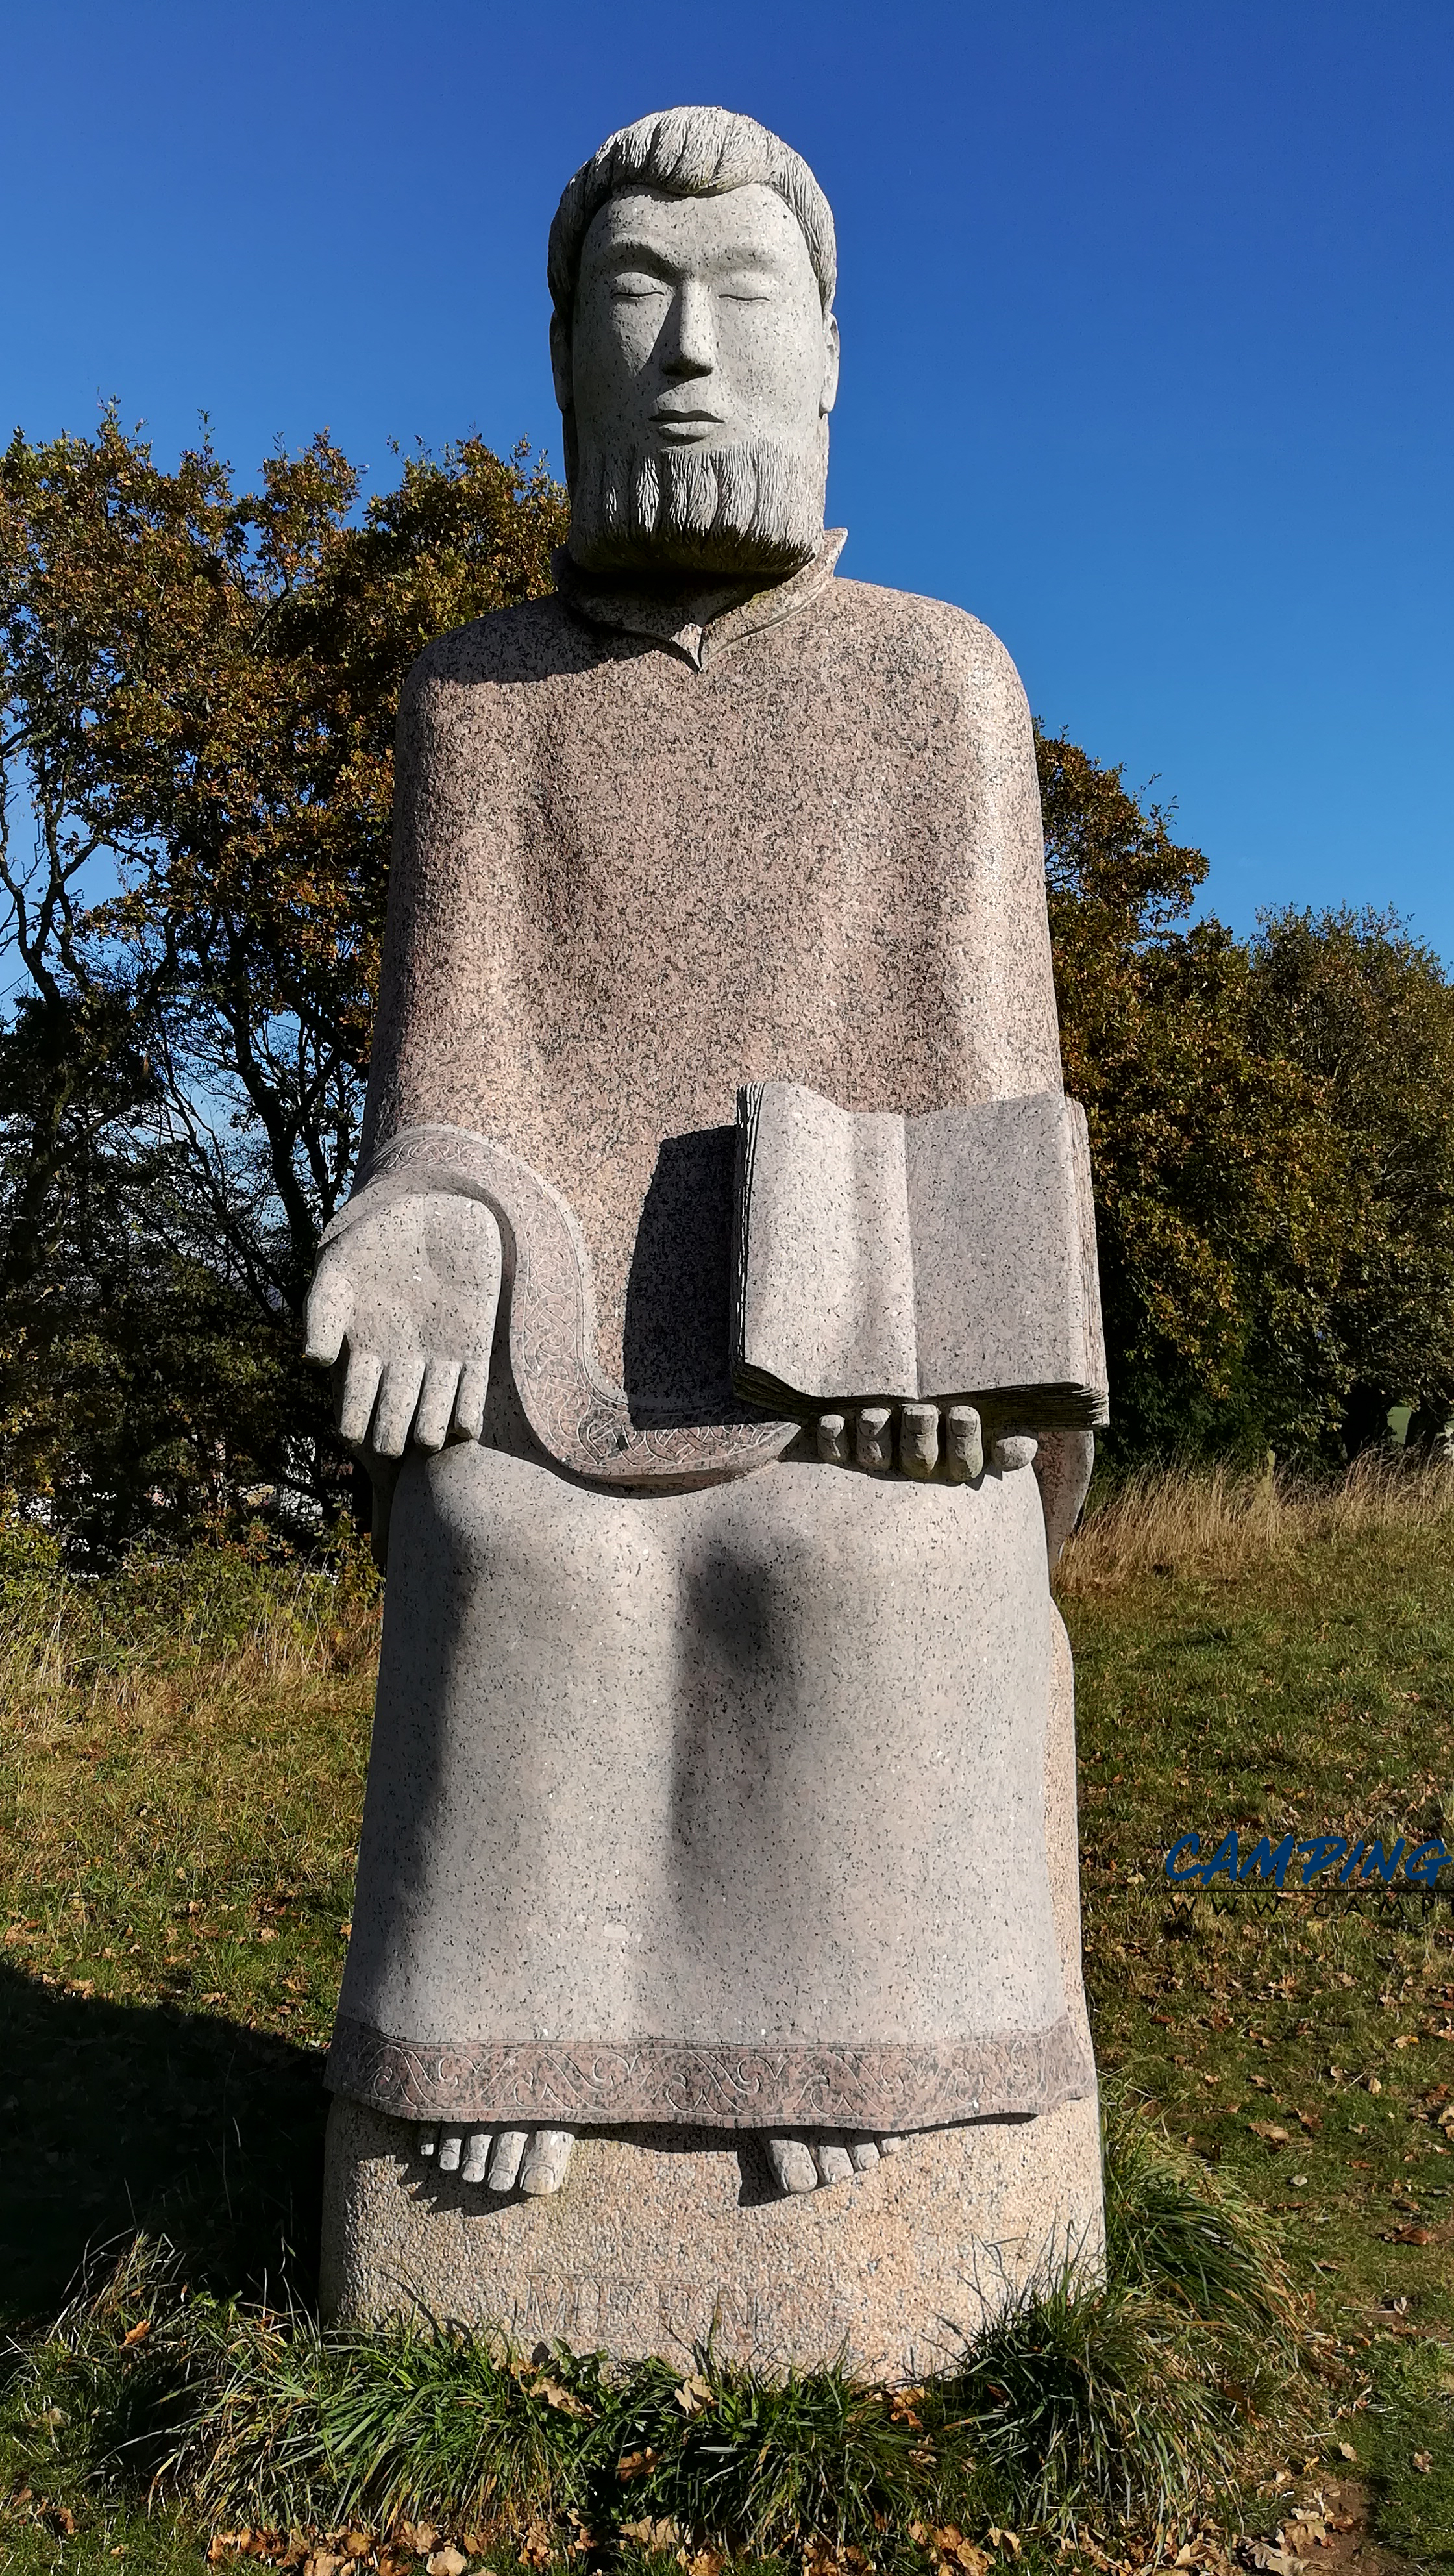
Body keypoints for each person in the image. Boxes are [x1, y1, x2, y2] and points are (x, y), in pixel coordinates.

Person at [306, 106, 1096, 2207]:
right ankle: (511, 2025)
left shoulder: (937, 682)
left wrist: (966, 1338)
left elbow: (989, 1089)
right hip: (575, 1337)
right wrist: (430, 1228)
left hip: (862, 1358)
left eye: (742, 298)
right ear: (562, 354)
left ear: (826, 355)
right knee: (512, 1545)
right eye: (635, 299)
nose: (688, 351)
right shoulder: (477, 699)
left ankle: (859, 2024)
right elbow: (450, 1074)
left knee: (869, 1562)